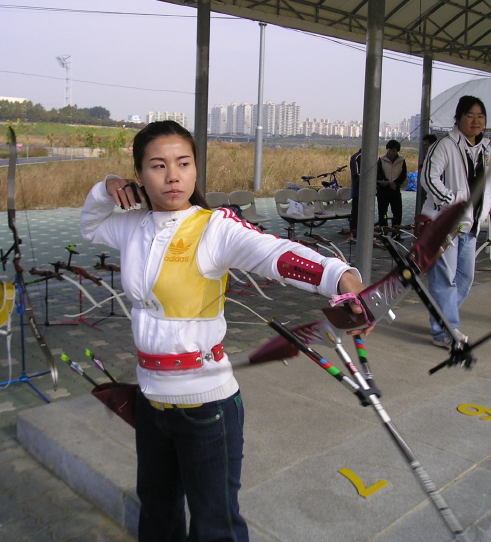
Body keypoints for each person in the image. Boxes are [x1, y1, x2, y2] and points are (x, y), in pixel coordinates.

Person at [80, 120, 371, 542]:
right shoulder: (133, 226)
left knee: (216, 524)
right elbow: (90, 225)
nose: (173, 175)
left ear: (196, 169)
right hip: (150, 399)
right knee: (158, 515)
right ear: (138, 175)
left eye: (183, 163)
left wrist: (339, 276)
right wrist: (105, 185)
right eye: (158, 166)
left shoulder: (214, 227)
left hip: (206, 406)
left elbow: (273, 252)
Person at [420, 96, 491, 349]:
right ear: (458, 118)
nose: (476, 121)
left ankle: (442, 321)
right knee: (444, 279)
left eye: (480, 116)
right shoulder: (445, 145)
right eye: (470, 116)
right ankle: (445, 331)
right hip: (445, 225)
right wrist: (452, 203)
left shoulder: (486, 149)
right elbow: (429, 178)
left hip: (471, 226)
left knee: (465, 278)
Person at [376, 140, 407, 228]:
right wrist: (389, 183)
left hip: (395, 189)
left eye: (394, 151)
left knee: (397, 211)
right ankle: (383, 229)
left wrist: (395, 183)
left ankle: (396, 230)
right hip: (383, 189)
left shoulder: (401, 160)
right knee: (383, 212)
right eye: (389, 150)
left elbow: (403, 174)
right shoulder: (381, 159)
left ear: (397, 151)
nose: (391, 153)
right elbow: (379, 174)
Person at [349, 148, 361, 239]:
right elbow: (356, 174)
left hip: (367, 192)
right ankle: (354, 233)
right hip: (358, 190)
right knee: (356, 212)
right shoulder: (356, 157)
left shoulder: (371, 157)